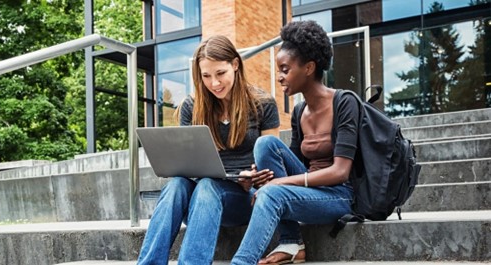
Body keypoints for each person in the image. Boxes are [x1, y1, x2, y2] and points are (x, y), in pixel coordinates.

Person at [137, 35, 281, 265]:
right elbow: (188, 165)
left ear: (235, 64)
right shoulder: (191, 107)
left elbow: (273, 168)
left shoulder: (262, 103)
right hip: (202, 202)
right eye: (206, 76)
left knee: (207, 186)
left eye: (220, 73)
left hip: (245, 199)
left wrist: (252, 179)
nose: (214, 83)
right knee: (176, 185)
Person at [231, 20, 360, 265]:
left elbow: (341, 172)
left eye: (284, 69)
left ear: (309, 67)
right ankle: (291, 241)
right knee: (265, 145)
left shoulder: (344, 103)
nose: (279, 77)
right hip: (310, 188)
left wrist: (277, 185)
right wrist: (258, 178)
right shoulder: (300, 111)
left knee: (272, 194)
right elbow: (289, 165)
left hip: (340, 196)